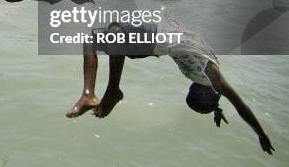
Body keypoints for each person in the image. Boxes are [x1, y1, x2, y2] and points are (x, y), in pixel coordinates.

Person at [65, 20, 275, 155]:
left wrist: (216, 109)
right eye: (194, 94)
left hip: (162, 39)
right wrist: (261, 134)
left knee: (109, 34)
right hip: (164, 36)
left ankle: (101, 93)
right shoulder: (214, 79)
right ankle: (96, 93)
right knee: (101, 36)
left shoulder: (208, 81)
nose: (190, 89)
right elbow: (241, 106)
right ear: (207, 94)